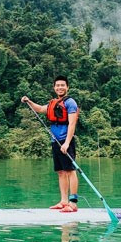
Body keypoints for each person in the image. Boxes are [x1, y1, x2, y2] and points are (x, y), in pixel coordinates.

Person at [21, 76, 80, 213]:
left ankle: (73, 203)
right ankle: (63, 201)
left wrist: (66, 143)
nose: (60, 87)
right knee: (60, 172)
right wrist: (28, 101)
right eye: (57, 85)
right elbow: (41, 109)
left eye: (62, 85)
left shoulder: (70, 102)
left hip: (66, 142)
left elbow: (72, 124)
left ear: (67, 87)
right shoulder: (54, 103)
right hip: (55, 142)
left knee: (70, 171)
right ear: (54, 88)